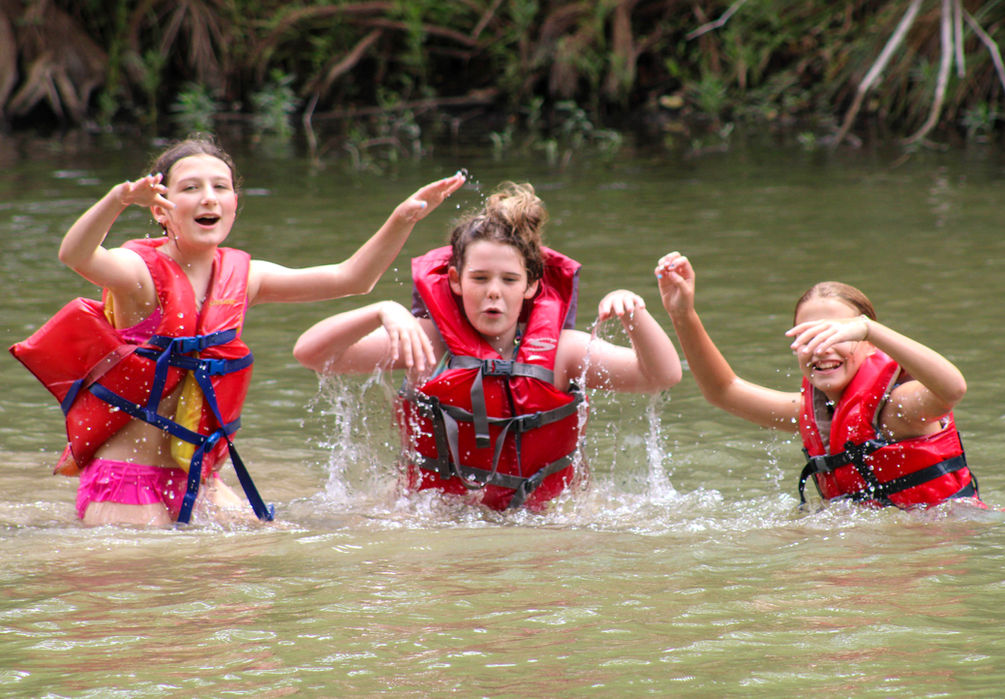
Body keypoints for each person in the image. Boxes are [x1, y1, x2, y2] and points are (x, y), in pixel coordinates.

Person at [9, 135, 465, 526]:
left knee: (264, 556)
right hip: (126, 481)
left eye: (220, 187)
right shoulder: (138, 273)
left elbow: (352, 278)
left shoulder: (245, 277)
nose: (208, 197)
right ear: (161, 209)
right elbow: (76, 255)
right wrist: (117, 200)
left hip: (199, 483)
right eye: (190, 188)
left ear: (234, 205)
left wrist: (403, 218)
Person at [294, 182, 683, 511]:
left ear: (532, 285)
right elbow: (310, 353)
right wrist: (380, 310)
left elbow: (661, 376)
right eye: (479, 278)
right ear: (455, 280)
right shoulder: (425, 342)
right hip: (434, 515)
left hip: (549, 517)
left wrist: (635, 314)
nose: (493, 292)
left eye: (509, 280)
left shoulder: (563, 351)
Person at [655, 251, 983, 509]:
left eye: (837, 333)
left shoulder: (899, 407)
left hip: (937, 545)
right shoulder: (814, 414)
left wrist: (871, 329)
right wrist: (683, 314)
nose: (822, 347)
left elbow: (953, 389)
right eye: (809, 335)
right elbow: (722, 391)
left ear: (870, 345)